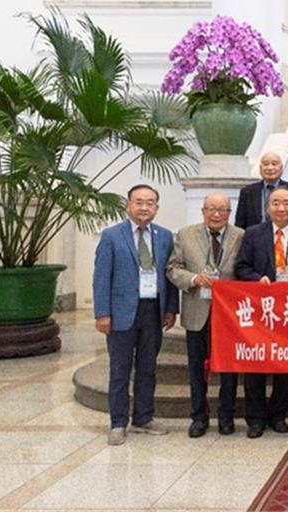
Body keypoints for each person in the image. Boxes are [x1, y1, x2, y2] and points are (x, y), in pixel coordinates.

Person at [93, 184, 177, 446]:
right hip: (120, 313)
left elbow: (170, 275)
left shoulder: (164, 237)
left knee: (148, 368)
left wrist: (170, 308)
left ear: (156, 208)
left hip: (153, 310)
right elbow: (101, 277)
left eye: (150, 203)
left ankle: (143, 417)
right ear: (128, 205)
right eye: (139, 202)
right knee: (120, 370)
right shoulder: (111, 236)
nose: (144, 207)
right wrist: (102, 313)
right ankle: (118, 422)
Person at [234, 186, 288, 437]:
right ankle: (256, 418)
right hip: (261, 310)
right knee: (256, 364)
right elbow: (241, 267)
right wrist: (258, 279)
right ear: (268, 207)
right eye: (276, 203)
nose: (281, 208)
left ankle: (279, 414)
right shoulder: (252, 234)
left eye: (286, 204)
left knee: (286, 364)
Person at [166, 193, 245, 438]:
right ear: (203, 210)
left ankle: (226, 416)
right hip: (197, 310)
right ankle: (199, 416)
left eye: (223, 210)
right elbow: (172, 268)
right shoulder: (185, 234)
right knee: (196, 369)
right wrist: (193, 279)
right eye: (212, 208)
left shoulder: (241, 236)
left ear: (229, 213)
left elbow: (244, 270)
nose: (217, 214)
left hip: (229, 315)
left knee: (230, 370)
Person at [235, 151, 288, 230]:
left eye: (274, 164)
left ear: (281, 168)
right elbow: (240, 226)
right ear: (260, 168)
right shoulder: (247, 192)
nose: (270, 168)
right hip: (256, 239)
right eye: (266, 164)